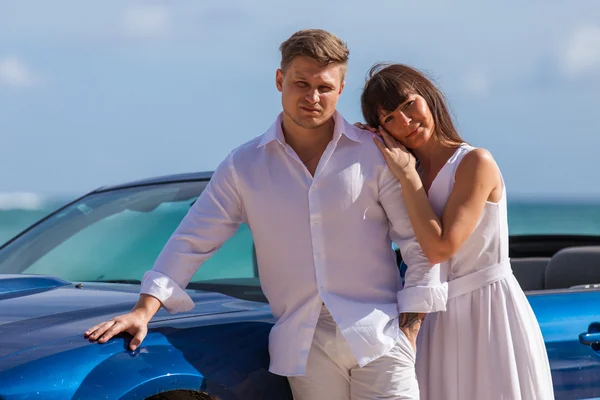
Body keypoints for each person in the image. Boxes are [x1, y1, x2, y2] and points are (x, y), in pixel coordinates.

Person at [84, 30, 448, 399]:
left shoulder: (373, 153)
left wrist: (410, 327)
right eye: (300, 83)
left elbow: (416, 242)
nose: (312, 97)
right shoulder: (245, 165)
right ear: (279, 80)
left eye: (324, 87)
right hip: (304, 347)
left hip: (380, 337)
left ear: (340, 89)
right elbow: (193, 238)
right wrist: (145, 309)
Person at [358, 63, 555, 400]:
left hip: (489, 312)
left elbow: (440, 247)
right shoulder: (404, 171)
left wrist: (407, 176)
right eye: (389, 118)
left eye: (408, 105)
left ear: (429, 96)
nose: (405, 122)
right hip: (434, 315)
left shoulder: (476, 162)